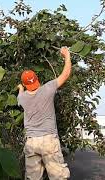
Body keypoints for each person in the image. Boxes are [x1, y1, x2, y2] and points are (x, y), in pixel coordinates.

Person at [17, 47, 72, 180]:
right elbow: (65, 74)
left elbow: (20, 95)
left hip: (32, 142)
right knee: (59, 177)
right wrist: (67, 56)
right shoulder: (47, 89)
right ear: (37, 79)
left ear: (25, 85)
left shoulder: (22, 98)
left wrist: (20, 88)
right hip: (48, 140)